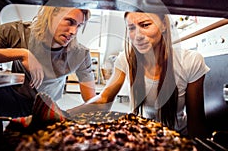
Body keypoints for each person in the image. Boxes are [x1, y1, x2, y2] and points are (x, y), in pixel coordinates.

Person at [67, 11, 210, 138]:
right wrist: (63, 115)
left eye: (145, 25)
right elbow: (104, 99)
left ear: (164, 25)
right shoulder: (125, 59)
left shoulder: (190, 61)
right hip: (142, 136)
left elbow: (196, 121)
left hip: (177, 137)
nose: (138, 36)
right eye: (131, 28)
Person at [0, 6, 96, 117]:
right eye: (69, 22)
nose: (73, 31)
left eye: (79, 26)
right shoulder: (16, 32)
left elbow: (92, 100)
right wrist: (22, 54)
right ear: (51, 15)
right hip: (14, 99)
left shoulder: (80, 54)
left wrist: (65, 115)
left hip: (46, 108)